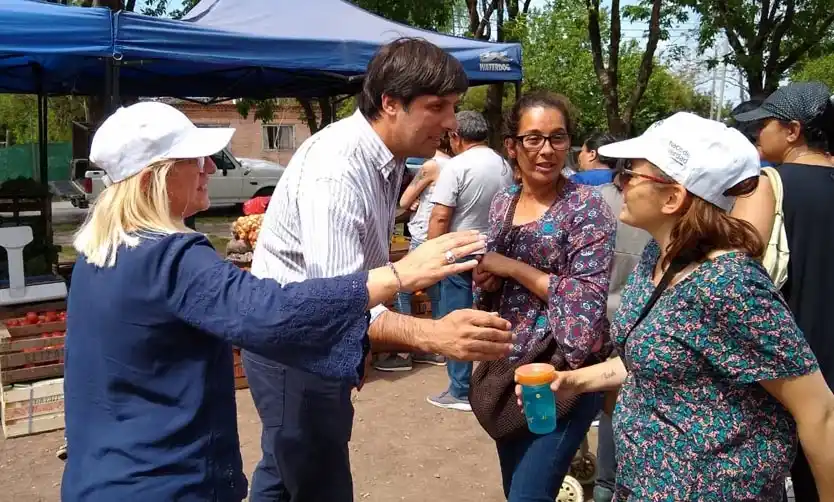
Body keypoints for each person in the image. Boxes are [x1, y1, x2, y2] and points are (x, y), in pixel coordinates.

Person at [61, 102, 493, 501]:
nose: (209, 167)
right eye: (194, 159)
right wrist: (401, 275)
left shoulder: (99, 252)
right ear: (153, 176)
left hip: (99, 477)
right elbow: (271, 312)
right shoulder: (171, 257)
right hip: (164, 482)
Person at [246, 38, 514, 502]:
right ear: (390, 102)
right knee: (318, 481)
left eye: (453, 106)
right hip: (296, 351)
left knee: (282, 469)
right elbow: (334, 297)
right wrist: (434, 335)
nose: (451, 122)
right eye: (437, 106)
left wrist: (363, 342)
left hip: (313, 343)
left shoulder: (386, 160)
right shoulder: (338, 168)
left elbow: (357, 273)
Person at [525, 112, 834, 501]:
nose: (620, 182)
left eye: (631, 173)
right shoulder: (660, 255)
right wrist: (571, 382)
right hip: (641, 486)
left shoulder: (729, 285)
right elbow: (647, 356)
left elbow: (820, 412)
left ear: (673, 197)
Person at [470, 92, 616, 501]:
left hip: (560, 373)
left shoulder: (586, 208)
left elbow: (586, 303)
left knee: (528, 495)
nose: (546, 150)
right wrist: (489, 279)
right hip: (508, 369)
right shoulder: (503, 202)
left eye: (558, 137)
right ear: (512, 146)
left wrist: (512, 268)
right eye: (533, 138)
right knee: (514, 487)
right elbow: (496, 282)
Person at [731, 81, 834, 502]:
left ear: (793, 130)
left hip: (788, 369)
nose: (758, 134)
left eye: (765, 125)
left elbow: (735, 269)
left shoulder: (767, 184)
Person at [573, 131, 651, 502]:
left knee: (608, 403)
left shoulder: (593, 203)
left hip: (598, 319)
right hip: (627, 325)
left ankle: (601, 481)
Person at [426, 110, 514, 411]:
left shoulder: (456, 166)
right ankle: (495, 382)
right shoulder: (503, 164)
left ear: (456, 136)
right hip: (495, 250)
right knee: (494, 317)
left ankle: (460, 388)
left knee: (456, 315)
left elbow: (440, 215)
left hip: (459, 249)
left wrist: (431, 256)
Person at [375, 134, 454, 372]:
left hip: (423, 235)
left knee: (401, 289)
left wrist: (413, 200)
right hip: (445, 236)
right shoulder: (456, 165)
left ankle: (403, 351)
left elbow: (406, 198)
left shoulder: (431, 166)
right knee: (437, 293)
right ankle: (439, 350)